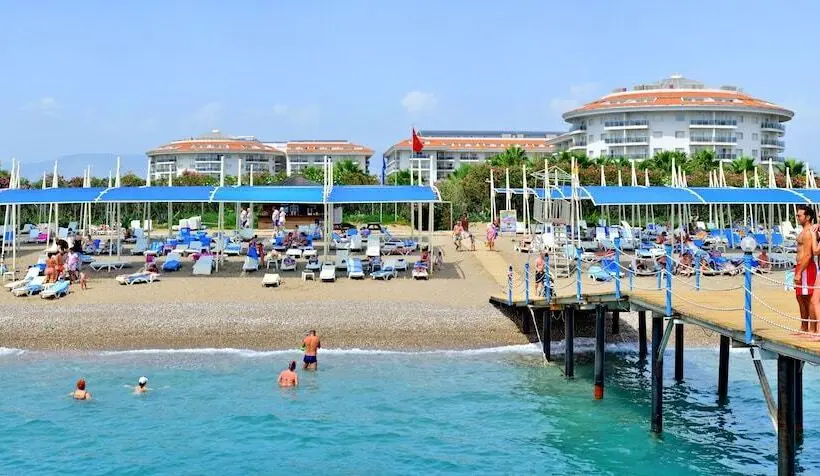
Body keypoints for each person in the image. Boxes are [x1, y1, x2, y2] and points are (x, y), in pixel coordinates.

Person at [794, 204, 817, 333]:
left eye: (799, 215)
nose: (797, 217)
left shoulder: (808, 232)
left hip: (806, 268)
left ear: (807, 217)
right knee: (800, 298)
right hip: (801, 267)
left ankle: (812, 329)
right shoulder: (803, 231)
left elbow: (808, 255)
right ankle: (804, 327)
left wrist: (799, 272)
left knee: (808, 298)